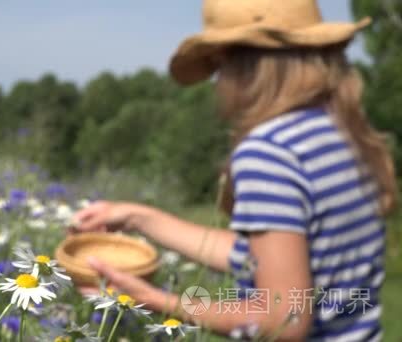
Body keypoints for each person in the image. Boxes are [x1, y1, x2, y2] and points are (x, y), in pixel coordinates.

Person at [71, 0, 398, 340]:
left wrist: (151, 298)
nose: (217, 83)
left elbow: (282, 319)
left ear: (246, 66)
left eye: (218, 66)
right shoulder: (340, 133)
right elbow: (268, 259)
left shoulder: (270, 153)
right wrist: (138, 217)